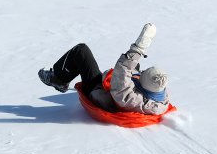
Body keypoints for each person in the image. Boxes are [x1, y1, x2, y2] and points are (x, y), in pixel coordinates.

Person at [38, 23, 170, 115]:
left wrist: (138, 49)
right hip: (116, 95)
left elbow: (122, 69)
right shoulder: (160, 98)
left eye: (142, 76)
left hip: (100, 93)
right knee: (135, 66)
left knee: (81, 51)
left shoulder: (129, 97)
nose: (140, 75)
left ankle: (58, 80)